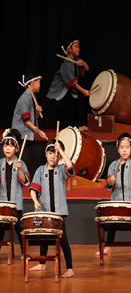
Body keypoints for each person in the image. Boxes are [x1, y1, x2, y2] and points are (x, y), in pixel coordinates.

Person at [96, 127, 131, 262]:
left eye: (127, 147)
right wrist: (111, 180)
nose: (125, 150)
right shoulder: (113, 165)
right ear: (118, 149)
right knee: (112, 222)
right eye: (122, 147)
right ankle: (108, 247)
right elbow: (108, 184)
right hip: (117, 202)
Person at [29, 140, 75, 278]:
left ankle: (70, 268)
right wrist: (35, 200)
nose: (52, 157)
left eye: (55, 154)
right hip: (45, 211)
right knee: (44, 237)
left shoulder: (61, 170)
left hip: (58, 212)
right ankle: (42, 263)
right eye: (50, 153)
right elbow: (33, 188)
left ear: (59, 156)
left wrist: (60, 150)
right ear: (46, 154)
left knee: (63, 239)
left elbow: (70, 166)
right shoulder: (40, 170)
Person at [43, 36, 90, 131]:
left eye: (78, 47)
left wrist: (82, 62)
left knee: (80, 101)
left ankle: (81, 125)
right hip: (58, 87)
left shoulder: (76, 59)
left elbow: (87, 68)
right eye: (76, 47)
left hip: (68, 88)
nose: (78, 48)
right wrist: (84, 91)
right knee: (46, 103)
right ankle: (34, 118)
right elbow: (72, 82)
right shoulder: (67, 64)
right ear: (69, 49)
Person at [0, 129, 30, 257]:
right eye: (6, 145)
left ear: (17, 149)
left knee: (19, 228)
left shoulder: (20, 163)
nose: (7, 149)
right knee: (0, 229)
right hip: (2, 203)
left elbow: (25, 181)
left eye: (11, 146)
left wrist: (19, 170)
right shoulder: (0, 163)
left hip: (15, 204)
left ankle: (24, 252)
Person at [12, 69, 47, 177]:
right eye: (39, 82)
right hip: (21, 135)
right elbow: (26, 121)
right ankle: (21, 178)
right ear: (33, 83)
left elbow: (32, 119)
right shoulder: (25, 98)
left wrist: (37, 112)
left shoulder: (32, 97)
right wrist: (39, 131)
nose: (40, 85)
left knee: (35, 157)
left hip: (28, 135)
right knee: (25, 158)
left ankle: (32, 179)